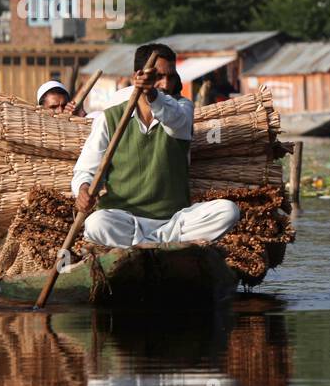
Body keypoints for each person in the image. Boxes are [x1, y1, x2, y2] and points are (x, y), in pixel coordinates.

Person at [71, 43, 240, 248]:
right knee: (95, 224)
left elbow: (175, 120)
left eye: (170, 77)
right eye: (159, 77)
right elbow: (86, 169)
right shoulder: (110, 118)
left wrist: (152, 94)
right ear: (137, 77)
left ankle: (148, 245)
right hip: (127, 221)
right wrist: (84, 189)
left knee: (228, 211)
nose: (166, 84)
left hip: (173, 222)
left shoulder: (181, 107)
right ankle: (159, 245)